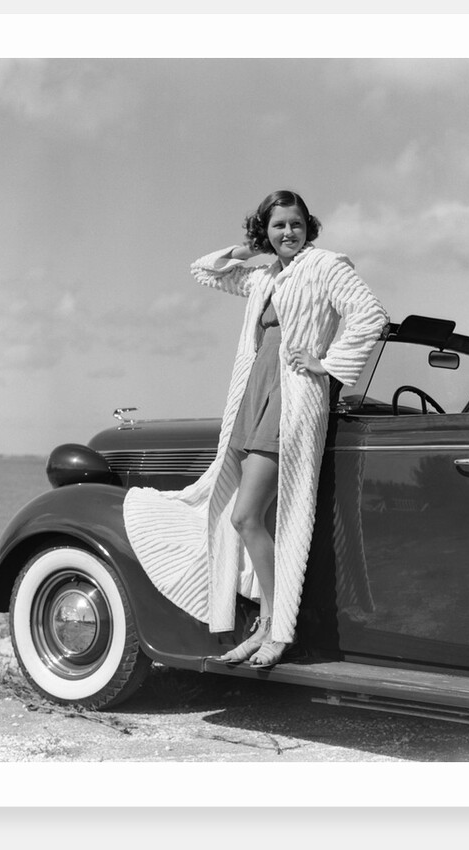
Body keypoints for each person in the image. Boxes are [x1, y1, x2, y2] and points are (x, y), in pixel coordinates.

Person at [123, 190, 388, 668]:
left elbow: (371, 316)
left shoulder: (326, 266)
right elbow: (204, 270)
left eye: (297, 224)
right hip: (253, 395)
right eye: (278, 225)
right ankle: (265, 623)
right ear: (264, 230)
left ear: (310, 227)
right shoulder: (266, 274)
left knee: (245, 516)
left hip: (292, 400)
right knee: (255, 519)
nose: (289, 233)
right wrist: (250, 250)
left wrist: (326, 364)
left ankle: (276, 627)